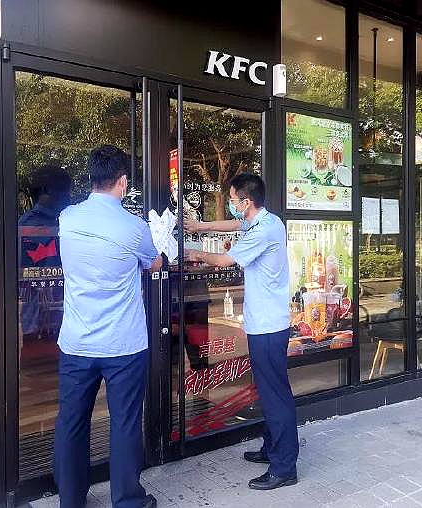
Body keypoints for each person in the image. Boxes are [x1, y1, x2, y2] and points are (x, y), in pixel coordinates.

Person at [54, 145, 162, 508]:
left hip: (76, 342)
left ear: (91, 178)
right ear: (123, 182)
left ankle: (70, 499)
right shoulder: (134, 227)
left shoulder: (67, 218)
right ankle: (127, 500)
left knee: (71, 422)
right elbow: (153, 263)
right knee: (125, 423)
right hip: (124, 345)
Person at [185, 173, 299, 491]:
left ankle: (284, 467)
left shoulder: (263, 231)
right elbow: (234, 224)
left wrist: (195, 253)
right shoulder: (266, 221)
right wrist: (201, 227)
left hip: (268, 327)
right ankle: (271, 448)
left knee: (275, 395)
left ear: (247, 202)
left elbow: (224, 259)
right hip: (264, 323)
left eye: (234, 200)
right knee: (268, 390)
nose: (232, 204)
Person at [19, 165, 72, 345]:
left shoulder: (67, 222)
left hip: (65, 317)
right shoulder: (29, 226)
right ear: (48, 191)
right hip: (39, 322)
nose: (69, 197)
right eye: (65, 191)